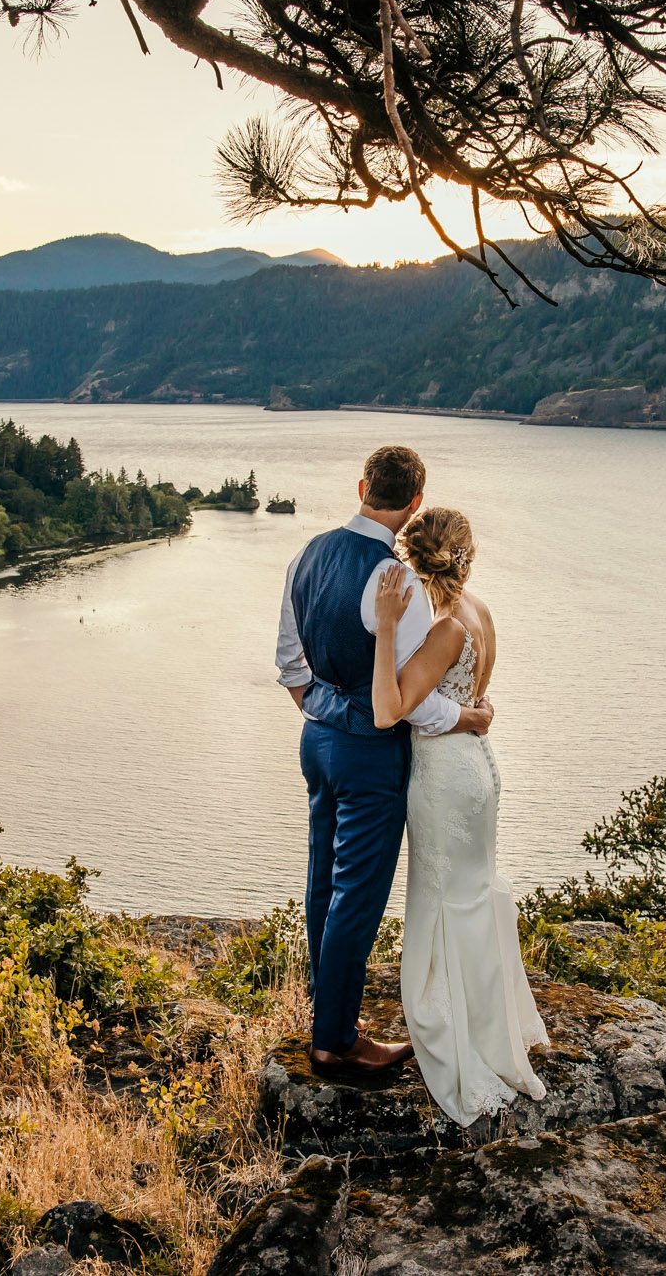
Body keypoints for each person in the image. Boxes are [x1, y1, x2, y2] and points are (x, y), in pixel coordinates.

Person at [275, 446, 495, 1076]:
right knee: (358, 895)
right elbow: (408, 706)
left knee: (323, 880)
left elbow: (290, 662)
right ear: (415, 503)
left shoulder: (306, 555)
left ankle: (329, 1012)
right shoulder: (397, 584)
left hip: (316, 741)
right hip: (370, 755)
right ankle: (334, 1042)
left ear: (364, 484)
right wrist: (467, 718)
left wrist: (321, 711)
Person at [370, 507, 548, 1123]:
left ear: (416, 558)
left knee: (444, 895)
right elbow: (474, 696)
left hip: (446, 776)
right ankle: (493, 1022)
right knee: (473, 891)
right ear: (465, 555)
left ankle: (457, 1031)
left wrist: (389, 627)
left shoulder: (444, 628)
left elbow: (389, 709)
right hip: (479, 766)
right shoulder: (480, 612)